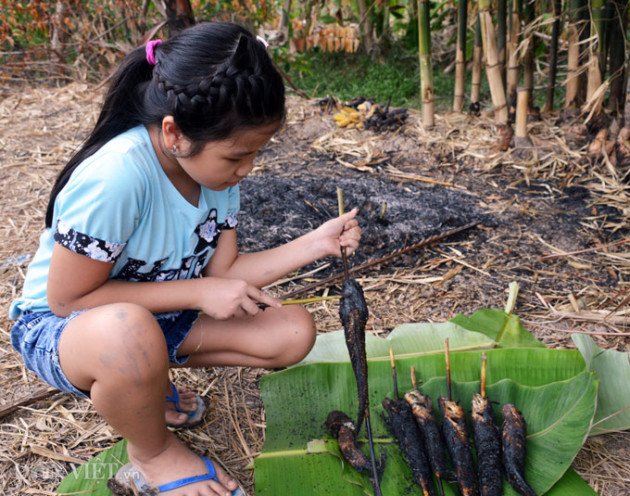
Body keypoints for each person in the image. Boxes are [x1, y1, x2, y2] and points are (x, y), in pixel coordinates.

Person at [9, 21, 361, 496]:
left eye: (257, 152)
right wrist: (198, 291)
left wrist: (316, 243)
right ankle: (153, 453)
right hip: (62, 328)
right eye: (238, 156)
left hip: (156, 318)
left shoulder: (216, 179)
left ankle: (144, 383)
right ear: (174, 134)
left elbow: (226, 274)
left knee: (292, 332)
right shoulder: (118, 178)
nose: (248, 169)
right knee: (127, 332)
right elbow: (69, 299)